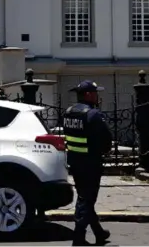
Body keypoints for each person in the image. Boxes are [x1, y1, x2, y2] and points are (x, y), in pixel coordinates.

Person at [63, 80, 112, 246]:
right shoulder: (93, 114)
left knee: (85, 197)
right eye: (96, 93)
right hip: (91, 164)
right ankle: (78, 237)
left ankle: (98, 232)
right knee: (86, 200)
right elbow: (106, 142)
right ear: (88, 94)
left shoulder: (69, 112)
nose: (98, 96)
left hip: (75, 163)